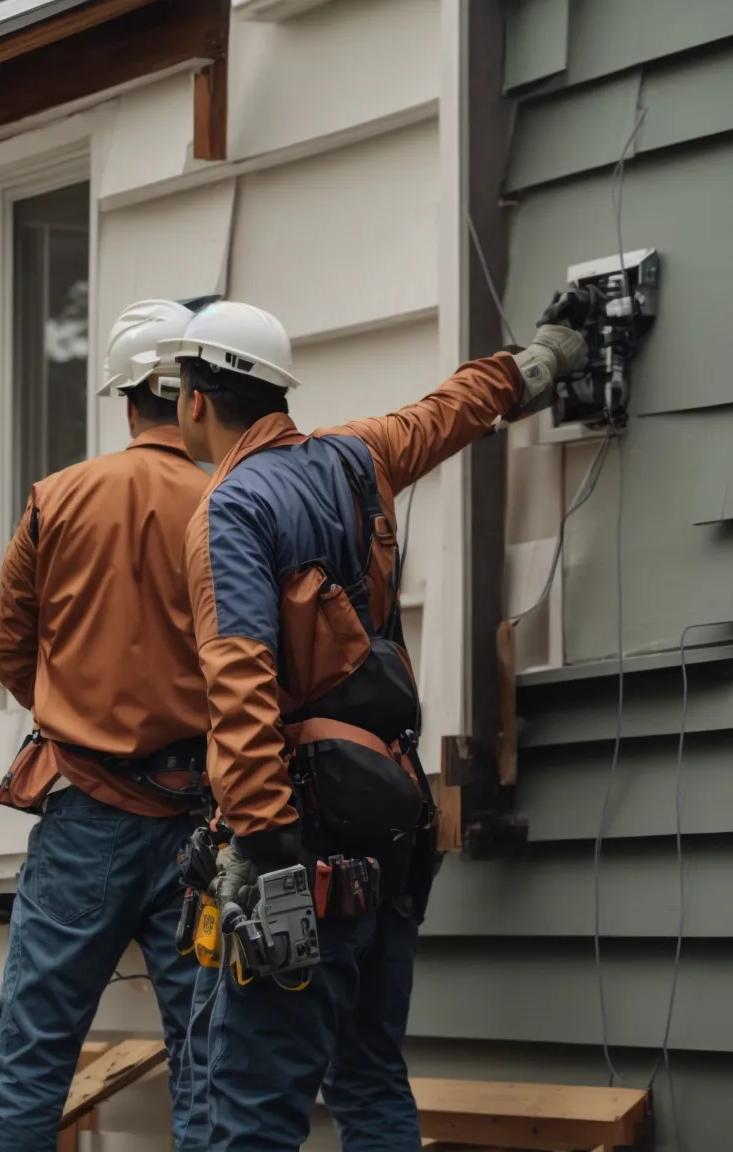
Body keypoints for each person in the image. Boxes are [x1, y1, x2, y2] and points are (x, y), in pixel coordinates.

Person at [164, 299, 588, 1151]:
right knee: (370, 1082)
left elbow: (241, 685)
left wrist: (268, 850)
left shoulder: (231, 508)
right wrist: (543, 357)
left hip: (305, 848)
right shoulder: (356, 458)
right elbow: (452, 410)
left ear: (195, 400)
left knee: (250, 1111)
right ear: (278, 393)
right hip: (392, 833)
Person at [0, 297, 222, 1152]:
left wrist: (75, 701)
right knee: (208, 1061)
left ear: (126, 398)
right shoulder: (227, 500)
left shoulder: (57, 499)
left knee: (34, 1056)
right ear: (192, 392)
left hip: (84, 807)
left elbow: (9, 649)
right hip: (202, 813)